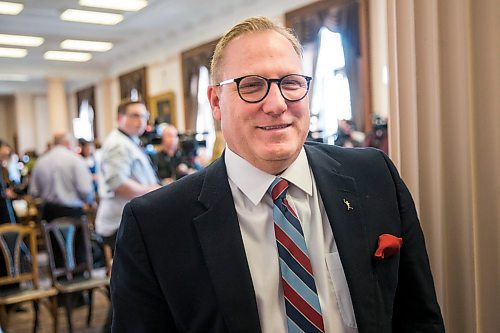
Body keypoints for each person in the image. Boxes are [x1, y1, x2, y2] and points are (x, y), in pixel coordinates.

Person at [111, 17, 444, 332]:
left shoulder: (375, 176)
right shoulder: (155, 225)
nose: (277, 104)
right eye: (252, 86)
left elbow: (417, 317)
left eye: (291, 83)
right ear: (215, 101)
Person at [29, 132, 94, 222]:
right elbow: (85, 190)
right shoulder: (75, 160)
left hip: (48, 215)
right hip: (73, 215)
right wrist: (89, 201)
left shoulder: (41, 161)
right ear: (68, 143)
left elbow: (34, 192)